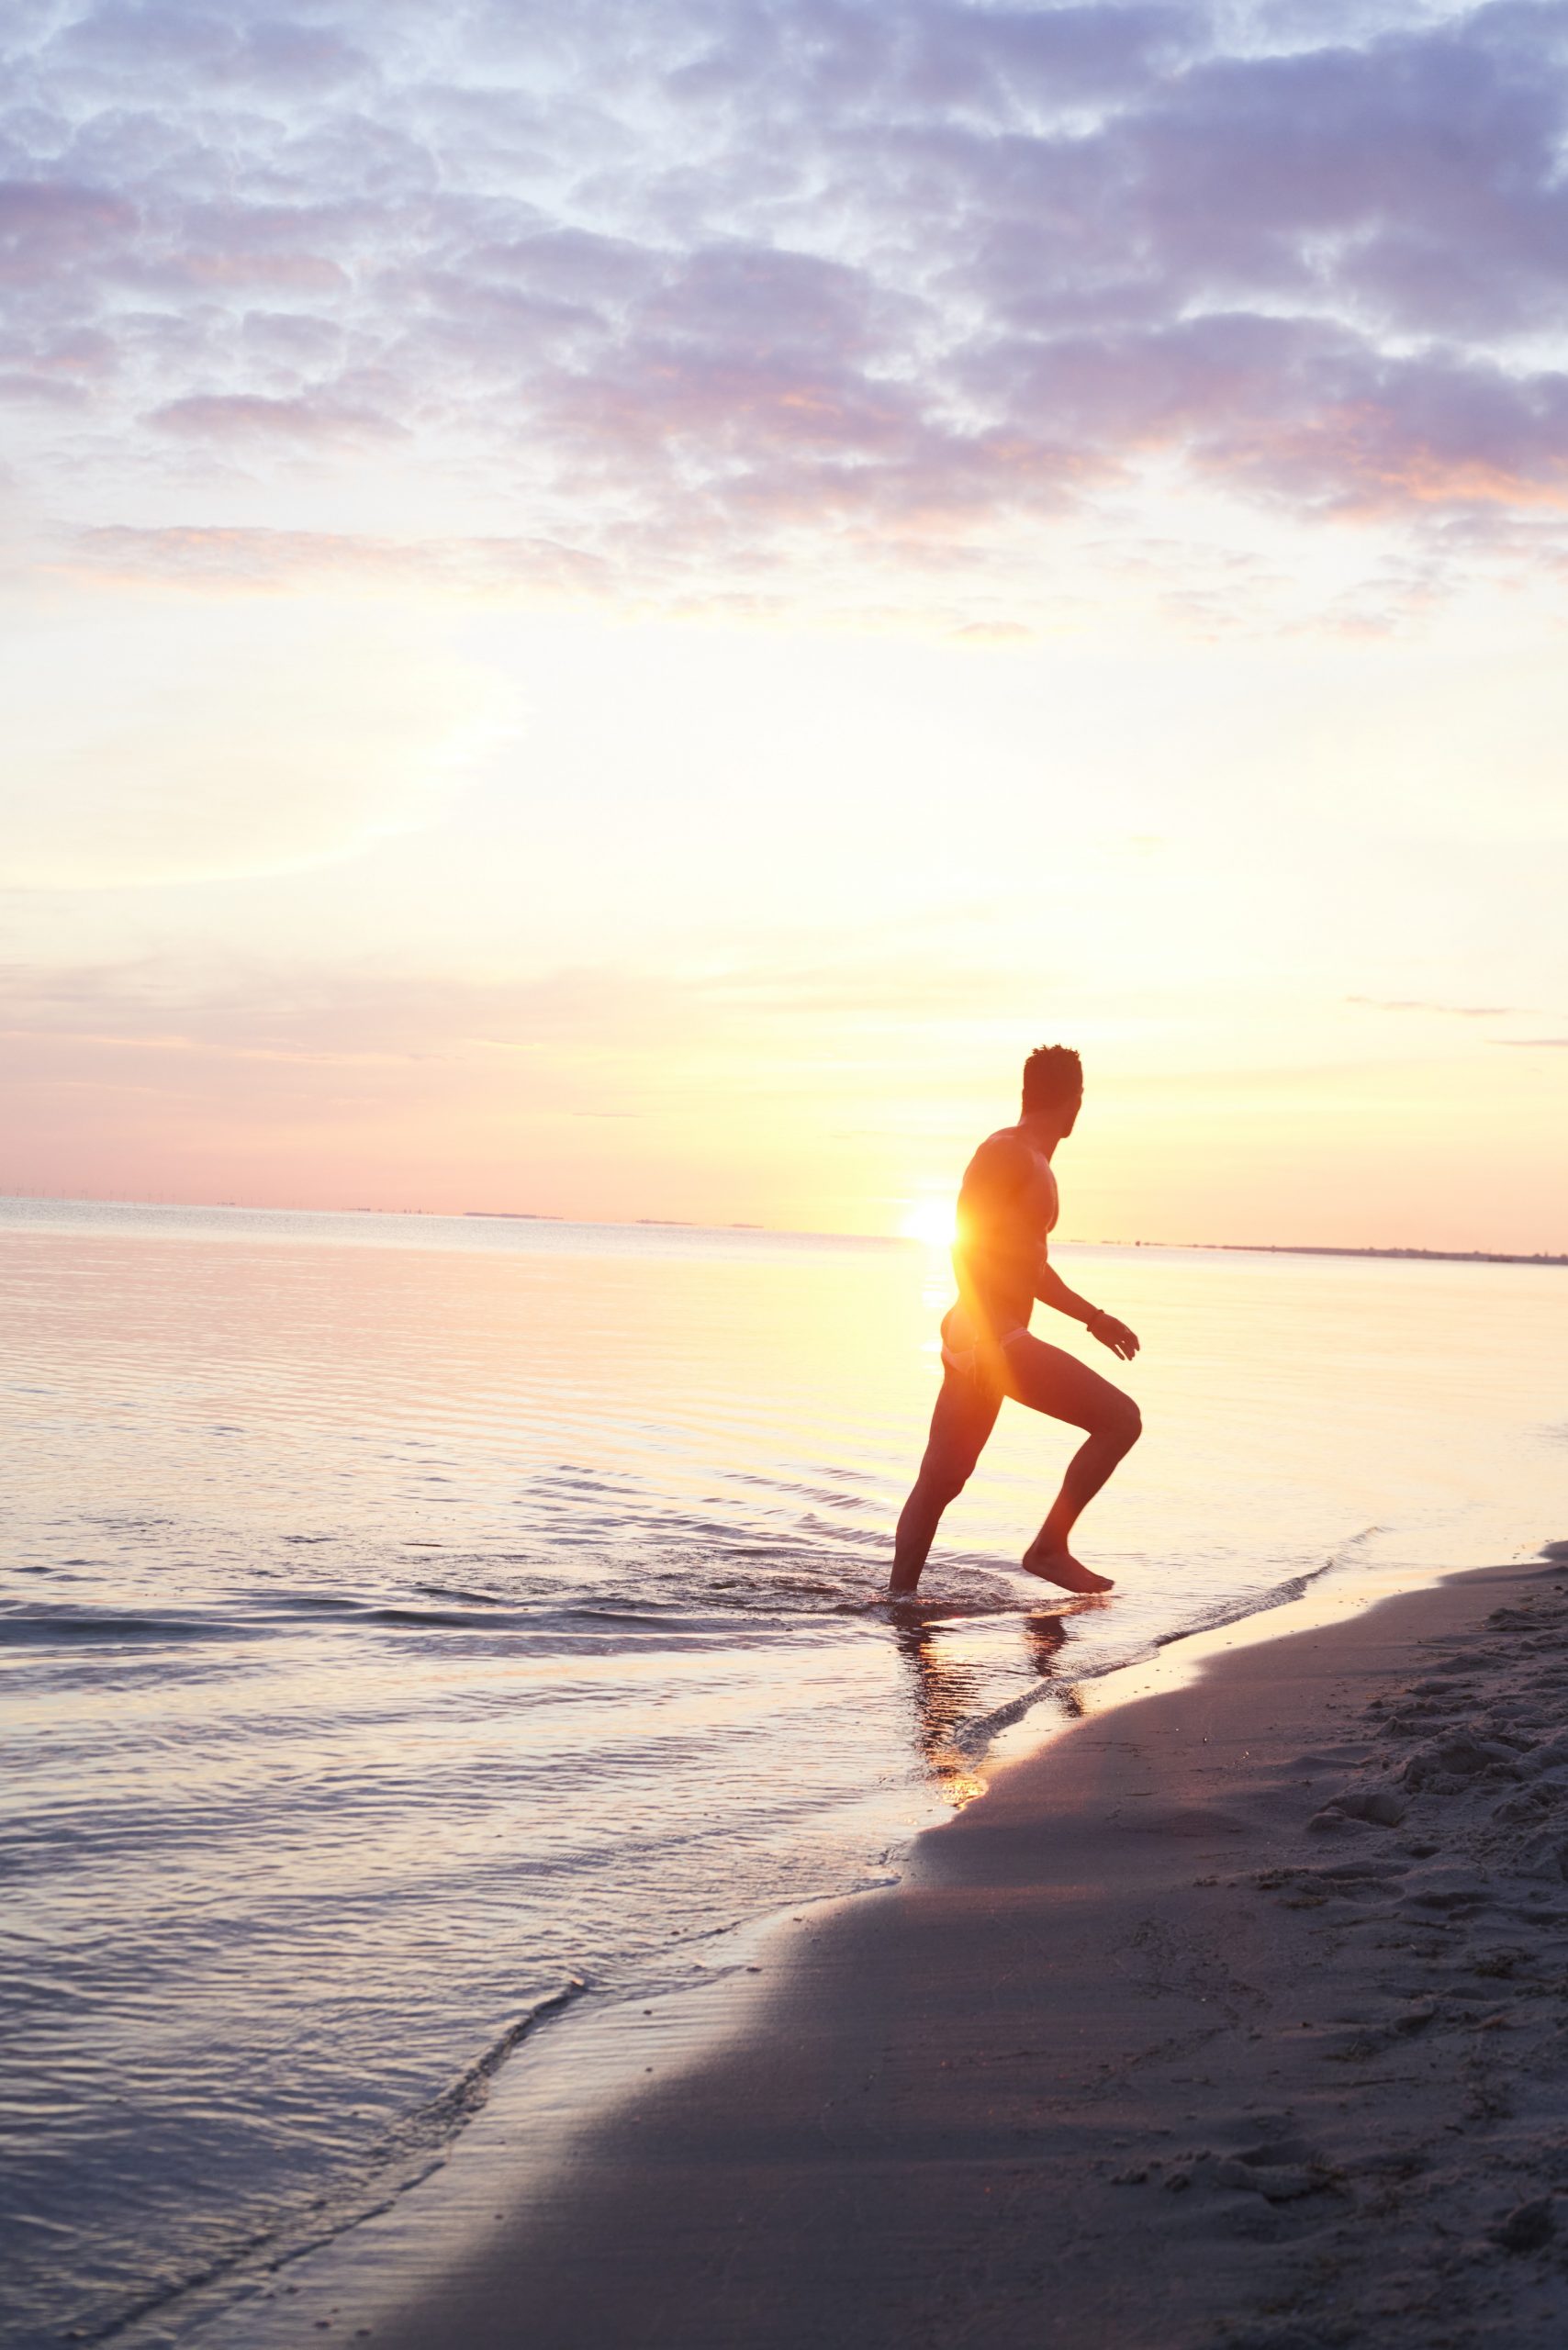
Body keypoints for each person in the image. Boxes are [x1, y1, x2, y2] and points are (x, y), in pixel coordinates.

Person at [889, 1046, 1142, 1600]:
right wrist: (983, 1338)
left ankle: (898, 1603)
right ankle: (1049, 1548)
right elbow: (964, 1240)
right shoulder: (1006, 1153)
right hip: (990, 1337)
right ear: (1075, 1103)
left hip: (982, 1337)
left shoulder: (1033, 1160)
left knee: (941, 1480)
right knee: (1121, 1421)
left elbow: (1029, 1267)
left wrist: (1092, 1317)